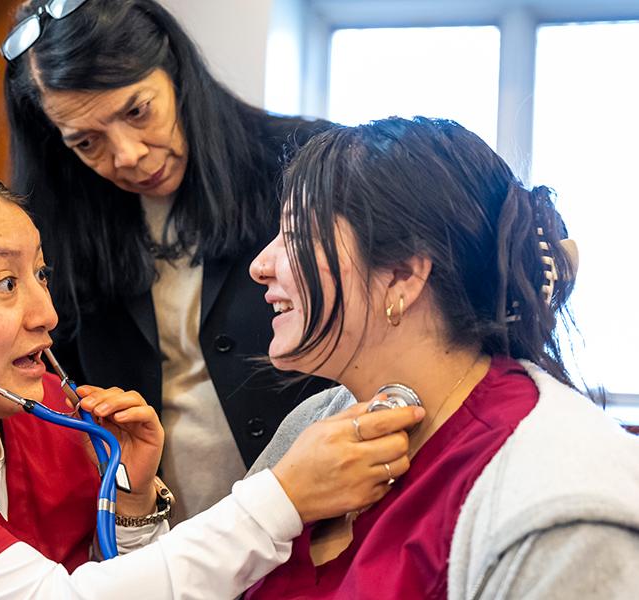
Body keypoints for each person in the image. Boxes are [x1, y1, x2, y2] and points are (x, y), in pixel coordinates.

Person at [0, 164, 424, 599]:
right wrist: (284, 496)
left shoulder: (34, 407)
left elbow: (120, 581)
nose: (47, 314)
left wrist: (132, 503)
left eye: (39, 276)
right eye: (5, 283)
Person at [241, 118, 639, 598]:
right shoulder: (316, 423)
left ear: (402, 275)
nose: (260, 266)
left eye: (296, 234)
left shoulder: (559, 500)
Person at [2, 0, 334, 521]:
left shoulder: (301, 162)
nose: (127, 155)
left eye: (137, 111)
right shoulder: (58, 224)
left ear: (176, 70)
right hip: (157, 527)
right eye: (87, 143)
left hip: (315, 511)